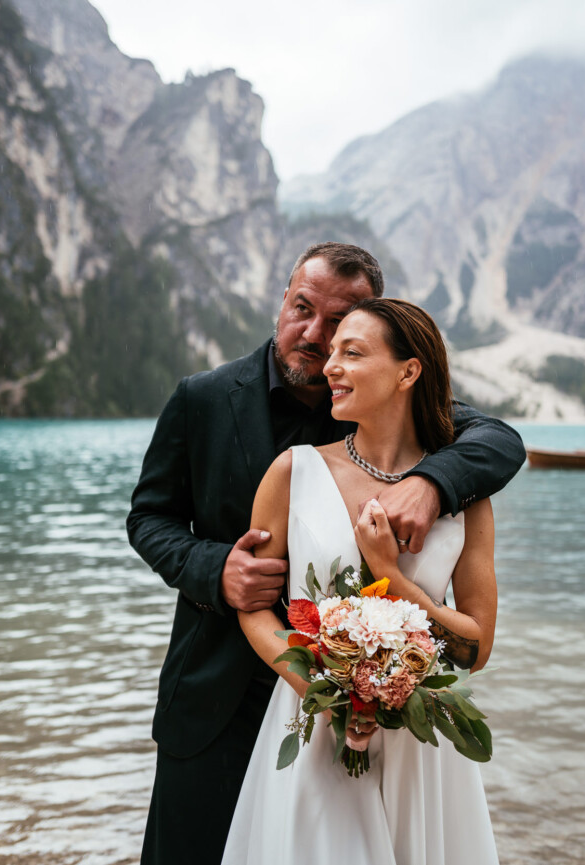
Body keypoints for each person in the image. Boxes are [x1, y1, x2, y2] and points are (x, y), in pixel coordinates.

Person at [127, 242, 524, 865]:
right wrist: (217, 569)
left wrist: (432, 483)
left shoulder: (382, 405)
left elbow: (501, 442)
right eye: (302, 309)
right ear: (282, 301)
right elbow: (149, 517)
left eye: (341, 326)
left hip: (385, 704)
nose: (315, 337)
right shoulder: (202, 398)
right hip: (217, 694)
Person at [221, 297, 501, 863]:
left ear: (408, 371)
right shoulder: (293, 471)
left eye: (352, 353)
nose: (329, 367)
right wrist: (324, 692)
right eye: (332, 355)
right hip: (315, 724)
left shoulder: (465, 497)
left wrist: (391, 577)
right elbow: (254, 608)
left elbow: (474, 647)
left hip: (420, 740)